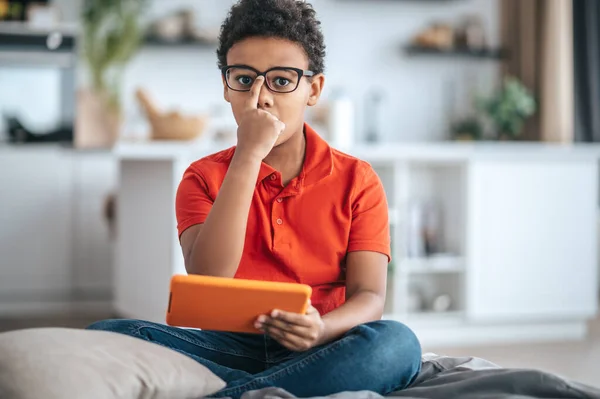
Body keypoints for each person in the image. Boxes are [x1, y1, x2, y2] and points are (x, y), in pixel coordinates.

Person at [88, 0, 421, 397]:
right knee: (105, 335)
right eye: (244, 80)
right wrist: (247, 157)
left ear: (313, 90)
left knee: (398, 344)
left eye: (281, 81)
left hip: (321, 346)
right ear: (226, 88)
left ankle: (231, 393)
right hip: (226, 347)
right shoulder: (202, 177)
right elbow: (210, 276)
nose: (260, 98)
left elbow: (370, 297)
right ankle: (265, 390)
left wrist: (319, 330)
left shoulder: (357, 179)